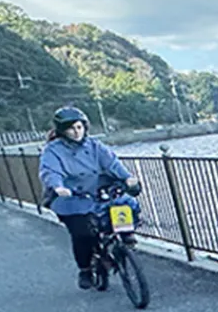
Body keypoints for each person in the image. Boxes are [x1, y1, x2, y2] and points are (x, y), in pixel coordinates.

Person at [38, 106, 142, 290]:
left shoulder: (95, 146)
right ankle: (85, 269)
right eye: (71, 128)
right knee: (82, 233)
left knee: (123, 205)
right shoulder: (53, 150)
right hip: (71, 197)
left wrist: (127, 177)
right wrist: (58, 186)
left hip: (97, 190)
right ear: (62, 130)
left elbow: (111, 163)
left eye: (79, 127)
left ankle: (126, 238)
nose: (76, 132)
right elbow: (50, 170)